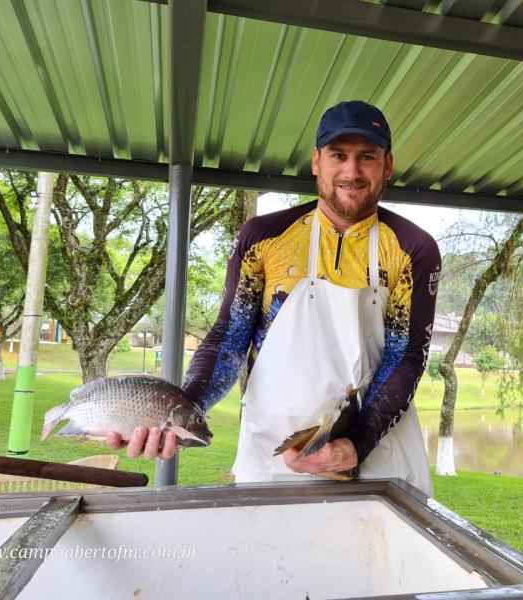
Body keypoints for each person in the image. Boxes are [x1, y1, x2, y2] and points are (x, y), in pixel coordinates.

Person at [108, 100, 441, 495]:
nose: (352, 171)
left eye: (366, 157)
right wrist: (179, 413)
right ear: (317, 161)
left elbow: (406, 357)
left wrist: (358, 443)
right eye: (339, 155)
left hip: (376, 453)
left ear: (387, 165)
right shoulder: (263, 237)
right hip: (272, 452)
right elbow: (228, 340)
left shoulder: (412, 248)